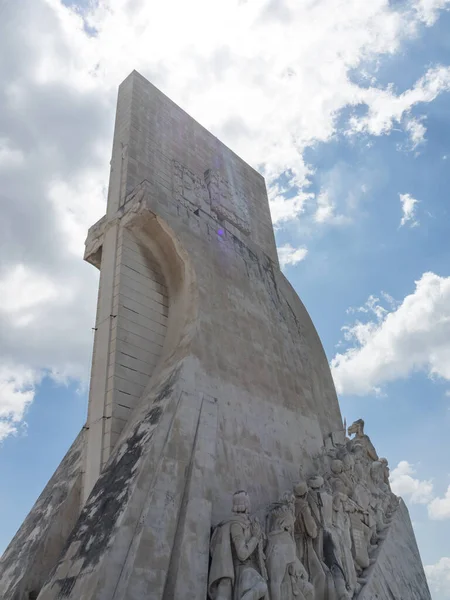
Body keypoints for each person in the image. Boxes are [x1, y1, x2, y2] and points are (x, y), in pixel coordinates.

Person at [208, 491, 268, 600]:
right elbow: (242, 553)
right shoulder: (236, 524)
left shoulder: (249, 524)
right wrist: (255, 537)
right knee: (262, 586)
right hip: (244, 571)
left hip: (252, 570)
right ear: (246, 504)